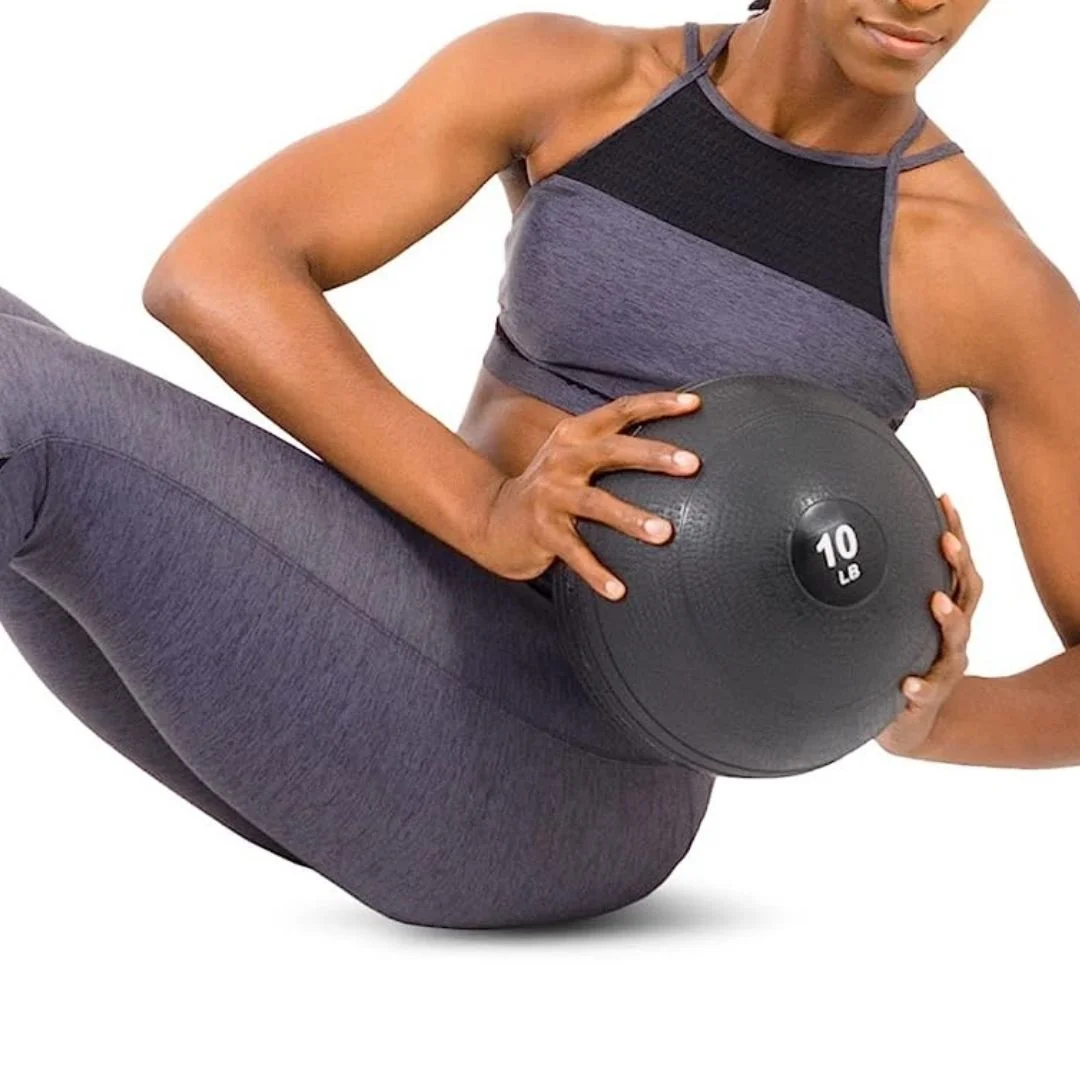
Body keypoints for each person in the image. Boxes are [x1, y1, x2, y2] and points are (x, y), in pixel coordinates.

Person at [0, 0, 1073, 930]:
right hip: (385, 642)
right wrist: (483, 508)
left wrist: (944, 719)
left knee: (24, 404)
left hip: (574, 780)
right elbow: (214, 269)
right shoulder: (572, 80)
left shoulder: (977, 270)